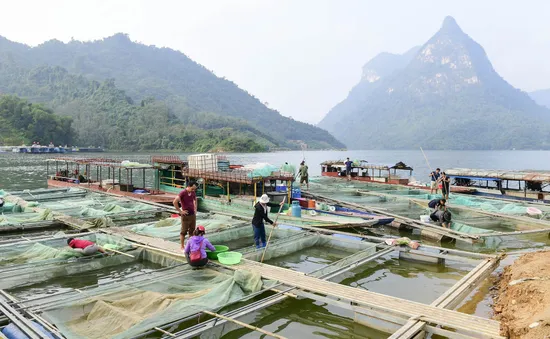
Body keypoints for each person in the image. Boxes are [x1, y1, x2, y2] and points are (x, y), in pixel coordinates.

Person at [173, 180, 198, 251]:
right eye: (192, 188)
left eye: (194, 189)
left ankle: (190, 245)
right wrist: (180, 211)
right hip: (185, 215)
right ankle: (182, 246)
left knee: (192, 231)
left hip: (192, 214)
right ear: (188, 187)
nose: (193, 190)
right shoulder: (183, 193)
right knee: (183, 231)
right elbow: (175, 201)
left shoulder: (193, 193)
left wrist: (195, 208)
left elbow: (195, 199)